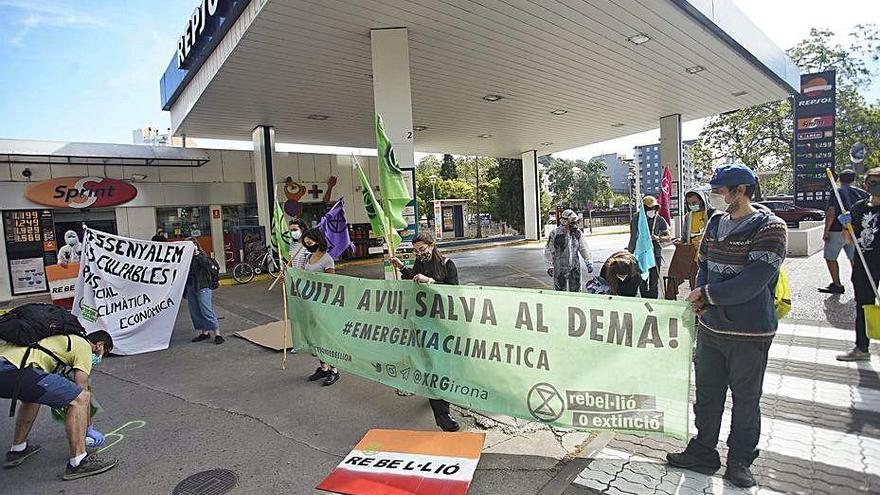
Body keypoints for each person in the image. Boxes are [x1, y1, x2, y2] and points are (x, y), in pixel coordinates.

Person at [666, 163, 787, 488]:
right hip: (711, 330)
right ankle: (704, 451)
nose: (715, 197)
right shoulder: (717, 223)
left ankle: (740, 461)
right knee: (707, 396)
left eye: (721, 191)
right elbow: (701, 264)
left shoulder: (771, 228)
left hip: (750, 333)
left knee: (746, 400)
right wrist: (702, 296)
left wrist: (705, 294)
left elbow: (752, 283)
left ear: (741, 191)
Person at [0, 330, 116, 480]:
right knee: (80, 398)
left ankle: (18, 449)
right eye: (104, 353)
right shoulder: (83, 345)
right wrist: (88, 428)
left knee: (33, 397)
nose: (100, 357)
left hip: (7, 364)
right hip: (17, 370)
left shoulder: (62, 338)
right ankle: (78, 462)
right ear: (99, 345)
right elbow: (81, 386)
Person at [390, 232, 461, 432]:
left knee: (442, 364)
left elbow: (454, 292)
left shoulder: (448, 265)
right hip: (423, 321)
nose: (419, 253)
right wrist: (402, 267)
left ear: (432, 245)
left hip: (443, 322)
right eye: (415, 250)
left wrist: (430, 282)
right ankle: (442, 415)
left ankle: (439, 397)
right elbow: (414, 276)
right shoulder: (420, 264)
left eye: (422, 249)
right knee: (430, 364)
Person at [836, 167, 880, 361]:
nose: (876, 186)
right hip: (864, 265)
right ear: (866, 184)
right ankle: (861, 348)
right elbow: (848, 240)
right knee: (863, 306)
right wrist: (846, 225)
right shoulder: (858, 208)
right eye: (873, 182)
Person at [819, 169, 867, 294]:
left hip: (837, 230)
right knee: (854, 259)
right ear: (854, 180)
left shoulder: (836, 191)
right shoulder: (862, 193)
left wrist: (826, 230)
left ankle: (837, 284)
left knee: (830, 257)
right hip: (855, 231)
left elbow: (831, 212)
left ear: (839, 179)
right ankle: (860, 284)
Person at [302, 229, 340, 386]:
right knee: (316, 337)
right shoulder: (309, 257)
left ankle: (334, 370)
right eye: (305, 243)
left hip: (324, 304)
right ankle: (323, 367)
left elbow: (331, 282)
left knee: (326, 337)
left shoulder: (327, 259)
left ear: (317, 241)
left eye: (309, 242)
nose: (307, 245)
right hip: (310, 303)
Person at [666, 189, 714, 298]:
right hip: (693, 257)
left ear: (701, 201)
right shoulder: (689, 216)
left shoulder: (711, 214)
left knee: (707, 286)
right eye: (689, 203)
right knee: (695, 284)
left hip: (708, 257)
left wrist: (702, 243)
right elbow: (685, 236)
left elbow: (716, 236)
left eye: (694, 203)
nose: (692, 205)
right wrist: (681, 241)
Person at [628, 196, 671, 298]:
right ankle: (644, 299)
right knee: (641, 280)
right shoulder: (636, 218)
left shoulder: (659, 220)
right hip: (640, 253)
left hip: (655, 253)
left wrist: (657, 237)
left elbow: (668, 237)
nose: (652, 211)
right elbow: (633, 237)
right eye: (649, 209)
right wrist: (629, 254)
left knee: (654, 281)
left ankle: (653, 300)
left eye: (654, 208)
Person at [544, 209, 592, 292]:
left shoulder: (577, 233)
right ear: (565, 221)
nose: (574, 225)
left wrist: (588, 261)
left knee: (576, 290)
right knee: (560, 290)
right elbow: (549, 250)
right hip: (559, 267)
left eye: (575, 222)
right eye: (572, 222)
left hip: (574, 266)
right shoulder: (555, 233)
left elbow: (583, 247)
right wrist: (549, 265)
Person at [186, 239, 223, 345]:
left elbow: (207, 266)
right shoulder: (186, 259)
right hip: (191, 287)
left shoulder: (202, 257)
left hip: (203, 286)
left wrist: (198, 255)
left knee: (206, 310)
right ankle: (205, 332)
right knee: (196, 311)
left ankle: (217, 333)